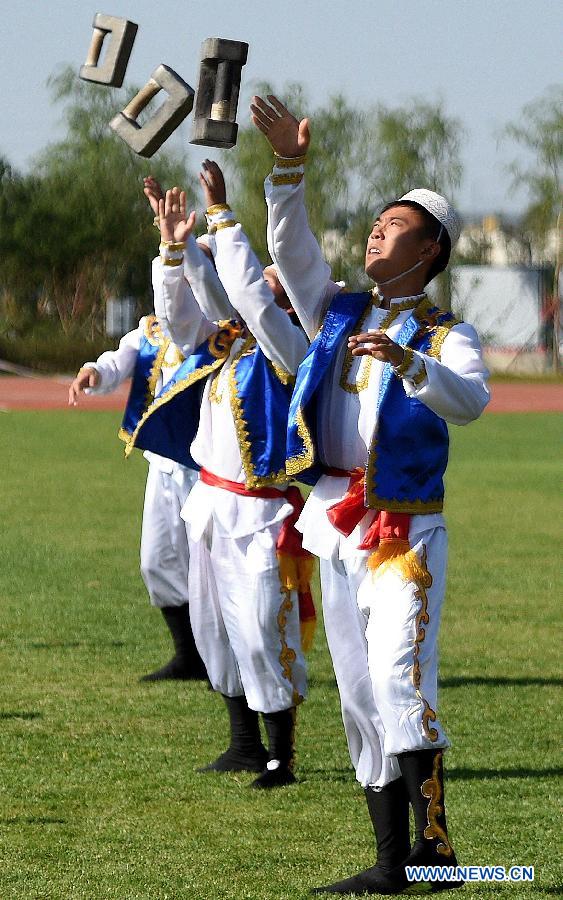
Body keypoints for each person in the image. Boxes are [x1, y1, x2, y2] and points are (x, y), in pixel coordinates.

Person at [250, 95, 490, 892]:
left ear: (429, 251)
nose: (375, 232)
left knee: (397, 680)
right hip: (335, 527)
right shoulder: (339, 311)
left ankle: (440, 854)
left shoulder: (444, 335)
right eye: (375, 224)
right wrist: (288, 170)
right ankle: (393, 867)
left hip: (404, 537)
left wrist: (407, 362)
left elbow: (470, 400)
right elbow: (291, 255)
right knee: (357, 694)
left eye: (394, 226)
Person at [127, 172, 313, 788]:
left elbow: (246, 301)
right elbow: (182, 320)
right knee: (215, 629)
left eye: (274, 277)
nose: (263, 280)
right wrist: (172, 251)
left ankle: (281, 758)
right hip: (211, 502)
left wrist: (222, 217)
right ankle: (241, 742)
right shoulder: (228, 342)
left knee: (264, 633)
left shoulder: (295, 347)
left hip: (261, 513)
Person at [69, 315, 208, 682]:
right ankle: (188, 657)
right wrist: (94, 372)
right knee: (156, 560)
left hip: (207, 470)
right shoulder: (150, 330)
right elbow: (118, 360)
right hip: (162, 465)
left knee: (209, 568)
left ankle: (223, 661)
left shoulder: (217, 329)